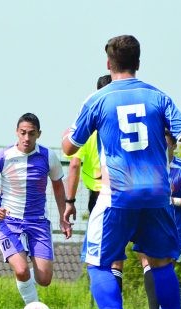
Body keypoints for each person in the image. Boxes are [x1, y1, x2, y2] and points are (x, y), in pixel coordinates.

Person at [62, 35, 181, 309]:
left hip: (118, 195)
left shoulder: (99, 99)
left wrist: (67, 135)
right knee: (161, 266)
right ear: (138, 63)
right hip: (158, 196)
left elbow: (69, 147)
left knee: (98, 264)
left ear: (108, 64)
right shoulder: (158, 96)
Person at [0, 113, 72, 305]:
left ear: (39, 134)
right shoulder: (3, 157)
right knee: (21, 269)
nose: (27, 138)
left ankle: (26, 282)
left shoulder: (48, 156)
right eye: (23, 133)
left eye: (31, 134)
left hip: (38, 223)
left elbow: (58, 186)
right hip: (9, 223)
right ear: (16, 132)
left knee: (44, 279)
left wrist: (63, 216)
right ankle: (33, 308)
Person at [64, 75, 126, 290]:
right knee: (130, 255)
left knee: (98, 256)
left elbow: (74, 164)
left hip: (100, 196)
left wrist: (69, 201)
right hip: (127, 191)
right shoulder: (122, 125)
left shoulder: (89, 126)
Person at [140, 129, 181, 309]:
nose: (161, 147)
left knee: (164, 272)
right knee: (148, 264)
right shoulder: (148, 167)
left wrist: (173, 201)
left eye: (166, 143)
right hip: (151, 225)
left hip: (177, 230)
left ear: (174, 145)